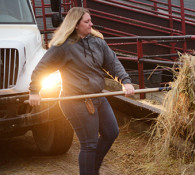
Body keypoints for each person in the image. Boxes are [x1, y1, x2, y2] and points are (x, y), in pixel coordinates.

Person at [28, 7, 135, 175]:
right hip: (75, 101)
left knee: (111, 132)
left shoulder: (97, 42)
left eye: (90, 20)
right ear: (76, 24)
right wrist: (34, 91)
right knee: (89, 144)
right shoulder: (63, 47)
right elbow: (41, 69)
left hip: (97, 96)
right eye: (87, 21)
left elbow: (112, 63)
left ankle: (92, 170)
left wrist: (125, 81)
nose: (91, 24)